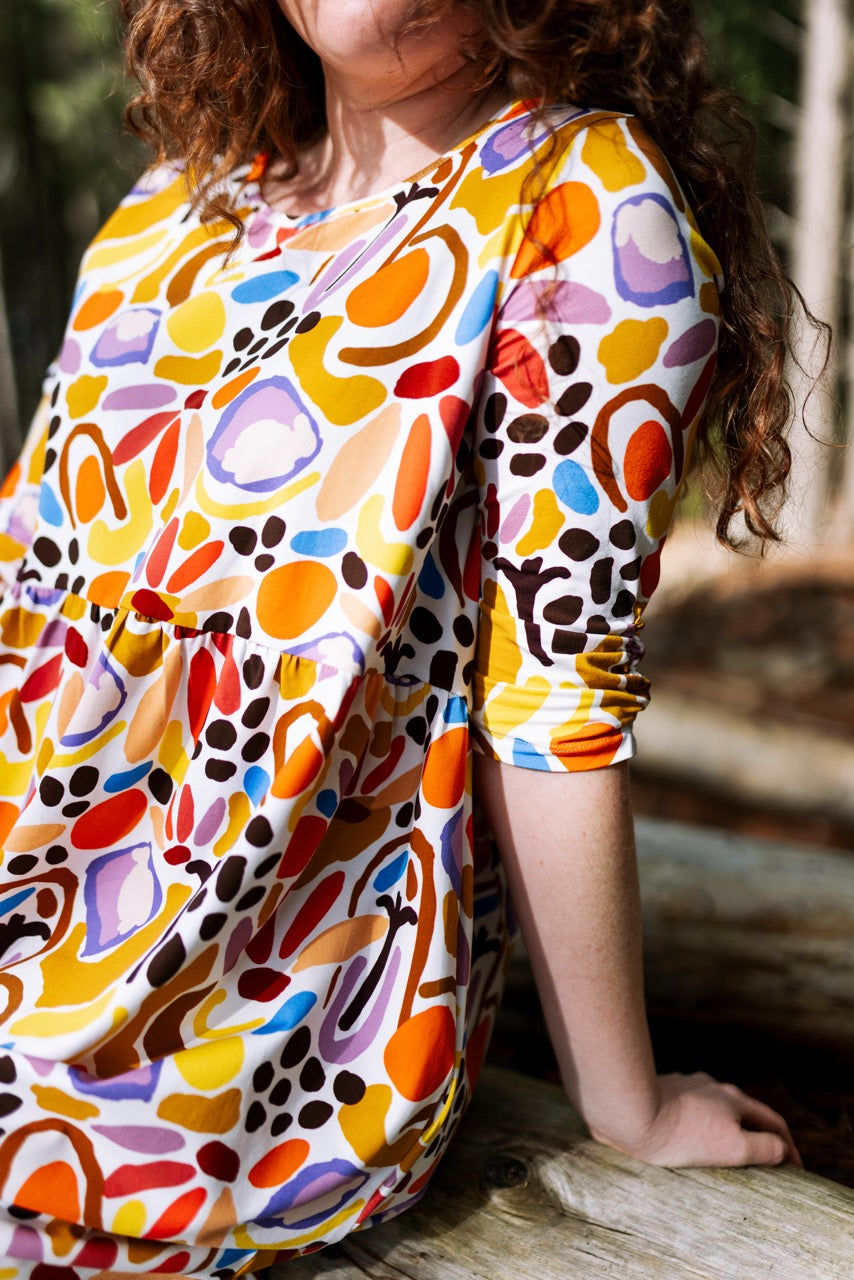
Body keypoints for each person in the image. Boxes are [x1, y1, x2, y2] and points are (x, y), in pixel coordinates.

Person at [0, 0, 804, 1275]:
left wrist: (624, 1106)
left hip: (217, 1065)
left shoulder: (578, 203)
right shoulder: (169, 211)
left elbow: (553, 695)